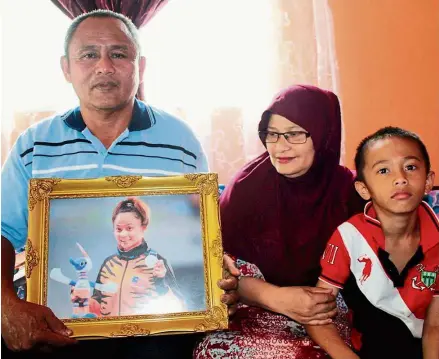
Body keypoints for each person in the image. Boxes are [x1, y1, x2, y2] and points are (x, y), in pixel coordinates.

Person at [1, 10, 239, 358]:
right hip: (56, 324)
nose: (104, 66)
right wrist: (6, 304)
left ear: (139, 65)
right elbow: (3, 230)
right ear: (66, 68)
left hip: (156, 330)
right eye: (89, 54)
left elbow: (200, 236)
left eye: (118, 53)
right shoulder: (34, 144)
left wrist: (217, 282)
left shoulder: (180, 141)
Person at [195, 85, 365, 358]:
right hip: (252, 310)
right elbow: (215, 267)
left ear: (324, 135)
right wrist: (275, 297)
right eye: (272, 134)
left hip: (326, 313)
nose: (280, 146)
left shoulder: (351, 193)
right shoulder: (247, 187)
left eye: (295, 133)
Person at [306, 127, 438, 359]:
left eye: (410, 167)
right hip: (372, 345)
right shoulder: (349, 237)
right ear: (364, 189)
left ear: (428, 181)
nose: (400, 179)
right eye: (384, 170)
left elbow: (435, 326)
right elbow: (316, 316)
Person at [70, 197, 185, 317]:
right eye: (118, 229)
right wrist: (81, 299)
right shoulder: (108, 264)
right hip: (110, 334)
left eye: (129, 228)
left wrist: (161, 282)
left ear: (143, 227)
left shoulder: (157, 263)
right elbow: (98, 308)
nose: (123, 234)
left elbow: (179, 306)